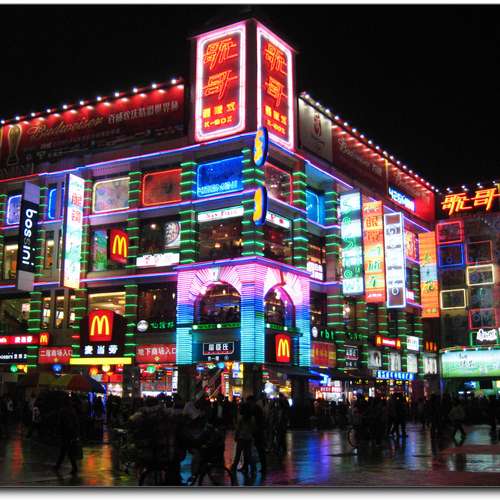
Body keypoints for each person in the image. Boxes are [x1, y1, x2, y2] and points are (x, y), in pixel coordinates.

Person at [53, 395, 80, 476]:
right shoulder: (72, 410)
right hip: (71, 433)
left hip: (66, 433)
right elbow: (76, 422)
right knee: (65, 450)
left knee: (66, 451)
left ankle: (73, 467)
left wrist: (58, 431)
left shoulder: (63, 411)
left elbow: (61, 423)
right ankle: (59, 466)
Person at [231, 403, 256, 477]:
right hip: (248, 438)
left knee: (238, 454)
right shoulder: (252, 418)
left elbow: (238, 429)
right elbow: (253, 428)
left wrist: (236, 436)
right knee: (248, 454)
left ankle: (234, 467)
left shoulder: (241, 418)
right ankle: (252, 468)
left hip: (241, 438)